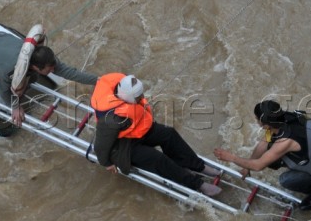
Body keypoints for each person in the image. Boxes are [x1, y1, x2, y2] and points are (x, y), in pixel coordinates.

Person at [91, 72, 222, 197]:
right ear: (127, 96)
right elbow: (100, 146)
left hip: (135, 133)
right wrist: (107, 163)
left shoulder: (125, 96)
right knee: (157, 158)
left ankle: (197, 165)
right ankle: (197, 184)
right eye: (138, 97)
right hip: (121, 148)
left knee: (168, 133)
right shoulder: (111, 119)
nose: (141, 98)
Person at [213, 99, 311, 210]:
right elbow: (264, 143)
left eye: (257, 119)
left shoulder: (285, 142)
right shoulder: (285, 118)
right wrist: (247, 167)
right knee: (300, 142)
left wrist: (231, 158)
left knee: (286, 180)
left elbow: (259, 166)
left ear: (265, 124)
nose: (256, 121)